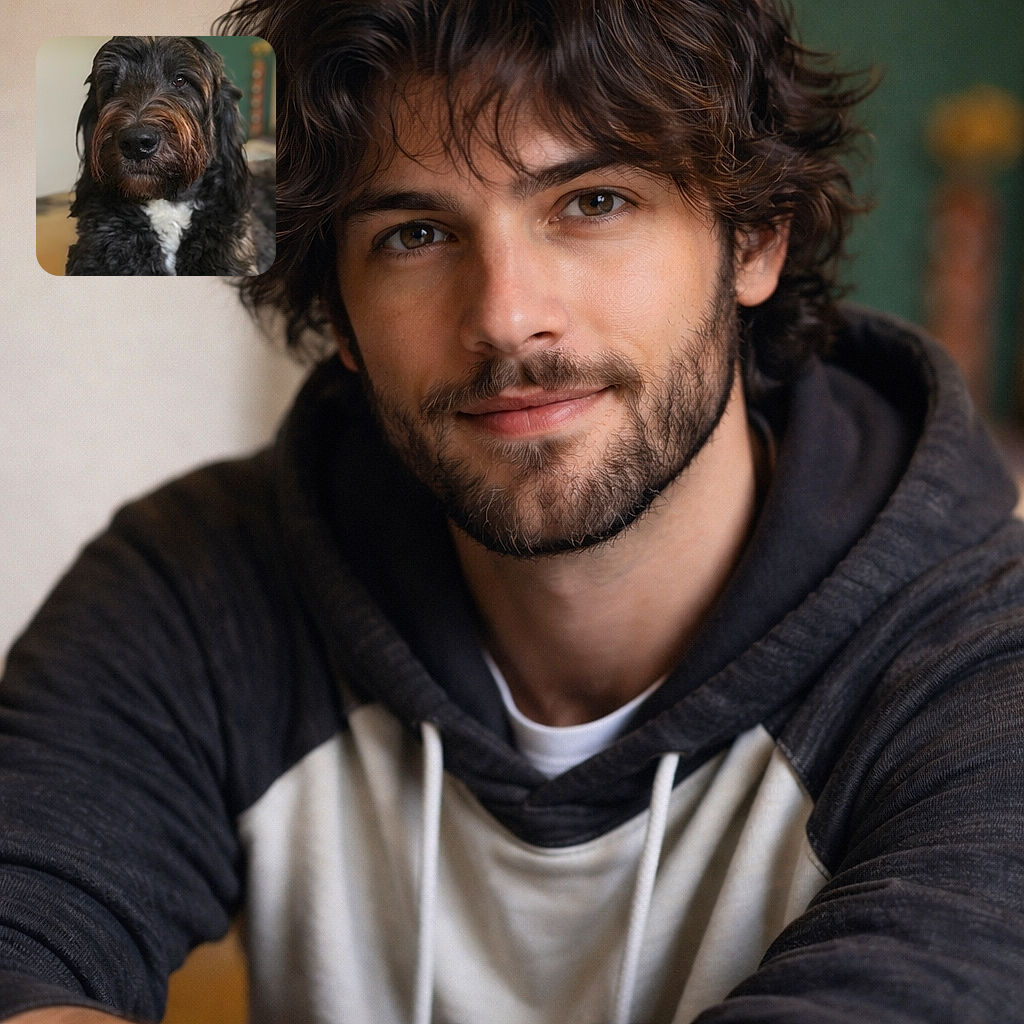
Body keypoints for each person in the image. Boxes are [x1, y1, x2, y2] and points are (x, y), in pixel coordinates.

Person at [3, 0, 1024, 1021]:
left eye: (591, 203)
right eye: (413, 233)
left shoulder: (983, 669)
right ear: (341, 320)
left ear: (753, 238)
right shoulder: (197, 579)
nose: (503, 314)